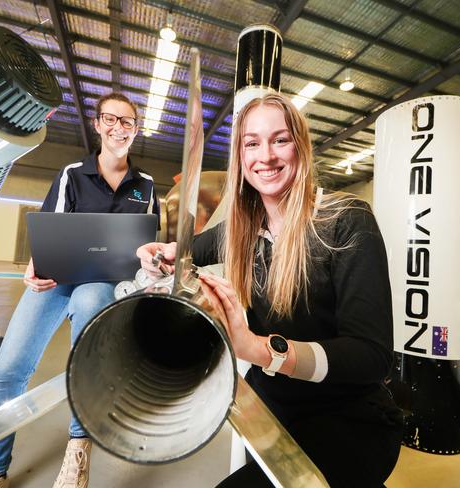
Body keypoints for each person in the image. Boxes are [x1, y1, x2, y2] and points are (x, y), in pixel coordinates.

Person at [137, 93, 402, 488]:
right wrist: (165, 253)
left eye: (280, 139)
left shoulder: (345, 220)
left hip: (347, 416)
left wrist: (257, 349)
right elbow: (194, 249)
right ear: (240, 157)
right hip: (271, 411)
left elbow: (372, 356)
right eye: (252, 142)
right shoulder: (243, 229)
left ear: (301, 147)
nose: (266, 155)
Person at [0, 92, 159, 488]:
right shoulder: (72, 174)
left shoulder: (145, 187)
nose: (118, 128)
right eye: (110, 119)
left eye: (127, 122)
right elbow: (51, 229)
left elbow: (148, 245)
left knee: (92, 300)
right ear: (97, 124)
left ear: (136, 130)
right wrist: (36, 264)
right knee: (7, 371)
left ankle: (79, 445)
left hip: (102, 281)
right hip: (58, 279)